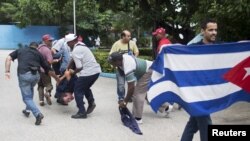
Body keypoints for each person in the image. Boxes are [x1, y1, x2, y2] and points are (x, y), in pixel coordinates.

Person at [180, 18, 218, 141]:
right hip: (198, 94)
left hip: (210, 93)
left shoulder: (220, 48)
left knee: (193, 123)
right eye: (210, 30)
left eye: (215, 30)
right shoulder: (193, 48)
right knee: (206, 123)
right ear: (203, 31)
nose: (214, 33)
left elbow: (235, 49)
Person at [5, 42, 60, 125]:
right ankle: (27, 110)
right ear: (37, 48)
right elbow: (48, 69)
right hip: (36, 76)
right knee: (30, 89)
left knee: (26, 98)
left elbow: (8, 58)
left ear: (29, 45)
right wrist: (56, 79)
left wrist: (7, 71)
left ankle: (37, 114)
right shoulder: (38, 53)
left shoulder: (21, 50)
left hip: (24, 75)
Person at [108, 52, 152, 124]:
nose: (112, 65)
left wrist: (125, 101)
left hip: (147, 71)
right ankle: (166, 107)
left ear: (118, 61)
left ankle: (138, 118)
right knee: (145, 94)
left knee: (137, 93)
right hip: (142, 72)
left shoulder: (128, 66)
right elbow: (122, 72)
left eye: (113, 63)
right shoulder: (121, 59)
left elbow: (131, 87)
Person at [65, 33, 101, 119]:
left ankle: (82, 112)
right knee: (85, 87)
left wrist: (72, 72)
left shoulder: (75, 50)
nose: (67, 45)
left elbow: (79, 67)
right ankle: (91, 102)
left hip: (88, 72)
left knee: (77, 90)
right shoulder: (82, 45)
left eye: (68, 43)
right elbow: (73, 59)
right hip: (96, 71)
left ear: (72, 41)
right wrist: (68, 67)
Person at [109, 30, 139, 102]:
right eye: (128, 36)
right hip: (120, 68)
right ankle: (121, 97)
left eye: (130, 36)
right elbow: (111, 55)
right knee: (121, 84)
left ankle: (130, 96)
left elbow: (136, 52)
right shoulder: (116, 44)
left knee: (131, 83)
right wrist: (114, 65)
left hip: (130, 68)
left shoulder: (132, 43)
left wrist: (134, 59)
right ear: (123, 36)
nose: (129, 37)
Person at [152, 27, 174, 117]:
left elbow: (161, 58)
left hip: (163, 68)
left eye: (157, 34)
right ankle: (169, 104)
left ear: (161, 34)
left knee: (159, 86)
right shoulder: (167, 41)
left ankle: (168, 105)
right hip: (169, 68)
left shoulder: (162, 44)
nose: (156, 36)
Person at [37, 34, 59, 106]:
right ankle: (47, 93)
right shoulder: (47, 50)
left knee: (40, 85)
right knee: (49, 85)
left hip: (38, 70)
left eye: (51, 40)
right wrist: (55, 60)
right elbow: (49, 61)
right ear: (45, 41)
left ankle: (41, 100)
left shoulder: (38, 48)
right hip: (45, 70)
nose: (51, 42)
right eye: (50, 40)